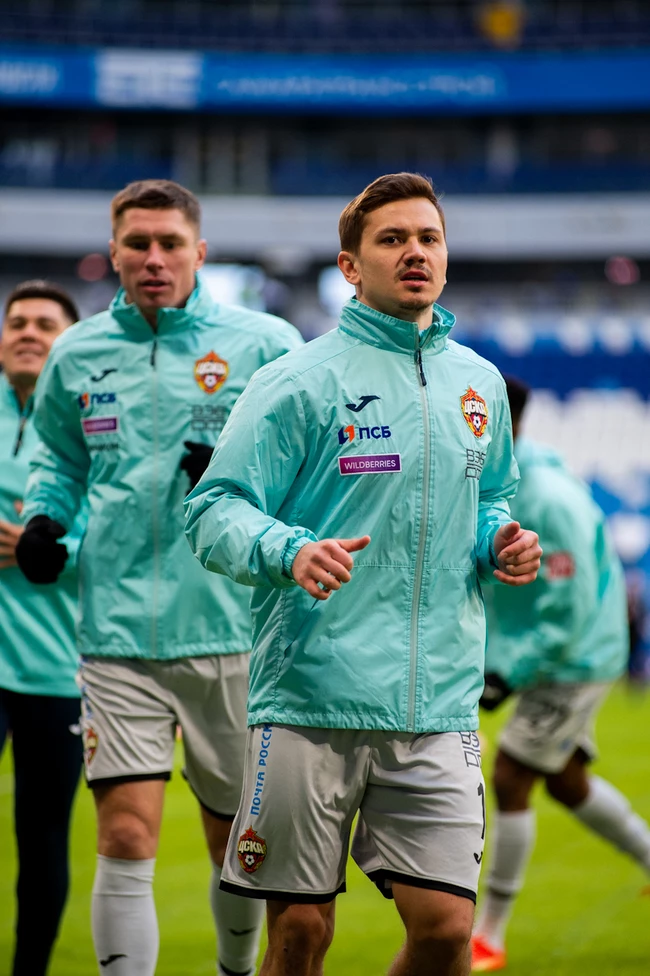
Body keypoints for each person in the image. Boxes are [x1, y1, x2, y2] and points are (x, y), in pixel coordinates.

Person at [184, 172, 542, 976]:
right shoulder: (297, 381)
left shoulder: (480, 384)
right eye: (393, 239)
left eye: (429, 238)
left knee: (446, 933)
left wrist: (499, 540)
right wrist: (290, 550)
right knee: (300, 934)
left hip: (438, 701)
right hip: (311, 697)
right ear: (350, 266)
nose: (416, 252)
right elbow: (213, 508)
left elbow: (490, 497)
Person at [17, 179, 303, 976]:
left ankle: (234, 970)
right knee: (124, 834)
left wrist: (243, 474)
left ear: (199, 252)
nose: (153, 258)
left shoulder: (266, 345)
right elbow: (59, 461)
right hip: (115, 634)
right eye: (137, 244)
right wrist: (44, 519)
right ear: (113, 253)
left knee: (233, 840)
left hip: (235, 632)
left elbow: (314, 465)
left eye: (169, 244)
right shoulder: (77, 353)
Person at [471, 376, 650, 973]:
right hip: (551, 652)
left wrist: (506, 672)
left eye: (475, 412)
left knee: (512, 775)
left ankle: (489, 935)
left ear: (504, 422)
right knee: (566, 782)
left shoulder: (547, 498)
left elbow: (567, 611)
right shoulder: (495, 482)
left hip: (577, 657)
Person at [0, 280, 83, 976]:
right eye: (16, 322)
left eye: (44, 324)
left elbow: (127, 540)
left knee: (43, 839)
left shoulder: (94, 430)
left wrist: (50, 549)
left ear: (70, 345)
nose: (27, 332)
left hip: (58, 671)